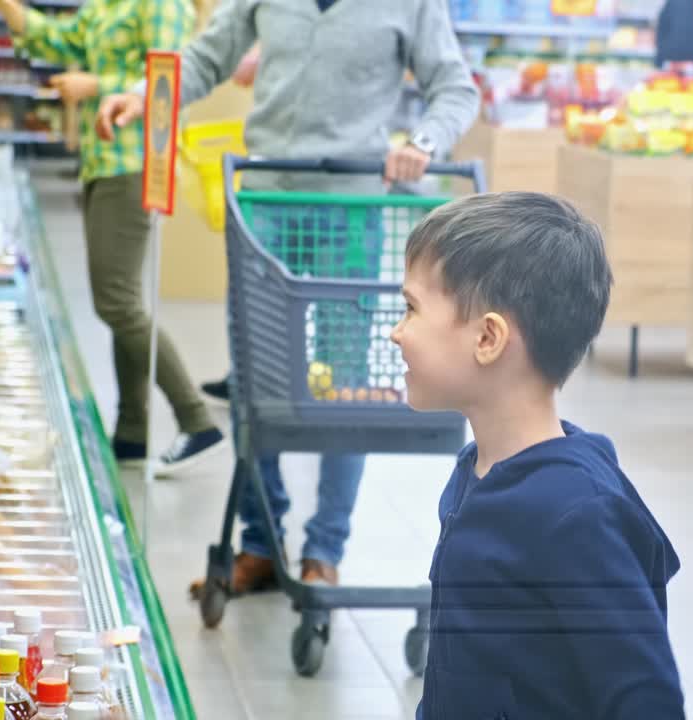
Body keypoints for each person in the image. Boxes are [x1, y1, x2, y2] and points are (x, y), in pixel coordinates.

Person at [95, 0, 480, 589]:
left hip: (350, 206)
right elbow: (208, 55)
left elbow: (454, 87)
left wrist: (423, 142)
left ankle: (324, 550)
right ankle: (261, 543)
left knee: (345, 384)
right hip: (265, 205)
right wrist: (146, 96)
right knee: (256, 378)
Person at [392, 192, 684, 719]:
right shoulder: (477, 473)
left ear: (488, 337)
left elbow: (648, 699)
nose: (397, 332)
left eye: (411, 309)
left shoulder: (577, 514)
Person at [0, 0, 226, 475]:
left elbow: (167, 81)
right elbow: (58, 37)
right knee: (124, 300)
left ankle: (196, 420)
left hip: (134, 163)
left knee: (116, 302)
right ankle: (132, 432)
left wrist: (94, 86)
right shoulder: (106, 5)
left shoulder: (162, 6)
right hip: (102, 162)